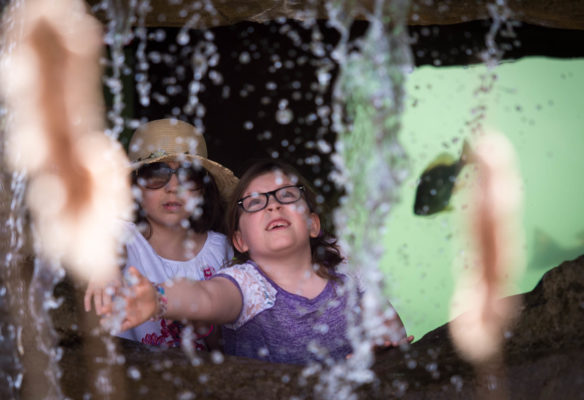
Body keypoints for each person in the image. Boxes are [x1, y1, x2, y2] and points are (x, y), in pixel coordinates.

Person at [106, 159, 411, 364]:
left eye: (287, 196)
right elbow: (207, 296)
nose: (273, 205)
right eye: (254, 203)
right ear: (240, 241)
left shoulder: (345, 268)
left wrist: (385, 348)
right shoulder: (248, 283)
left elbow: (390, 327)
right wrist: (159, 298)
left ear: (313, 224)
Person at [84, 118, 238, 350]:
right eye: (156, 174)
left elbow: (225, 344)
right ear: (134, 188)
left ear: (203, 188)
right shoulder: (125, 237)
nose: (173, 187)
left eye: (189, 174)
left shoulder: (220, 249)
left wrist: (205, 324)